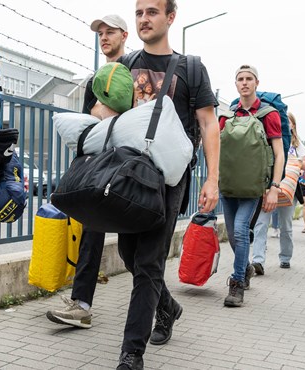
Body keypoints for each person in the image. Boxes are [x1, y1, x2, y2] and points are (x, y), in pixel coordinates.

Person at [104, 1, 220, 368]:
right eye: (139, 13)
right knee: (130, 256)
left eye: (151, 12)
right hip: (129, 174)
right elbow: (107, 114)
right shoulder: (124, 66)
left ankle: (131, 354)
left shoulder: (191, 68)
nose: (143, 19)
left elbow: (208, 123)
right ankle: (167, 307)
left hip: (169, 178)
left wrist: (212, 179)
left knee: (150, 261)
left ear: (170, 18)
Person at [46, 14, 128, 330]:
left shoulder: (135, 72)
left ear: (124, 35)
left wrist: (107, 112)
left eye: (110, 33)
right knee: (91, 233)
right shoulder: (96, 79)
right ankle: (81, 304)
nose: (104, 38)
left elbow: (126, 116)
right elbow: (89, 120)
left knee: (134, 252)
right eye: (100, 34)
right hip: (99, 165)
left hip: (129, 168)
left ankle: (163, 305)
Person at [219, 64, 284, 307]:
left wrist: (274, 187)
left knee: (240, 229)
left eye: (249, 79)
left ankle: (237, 285)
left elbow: (279, 154)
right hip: (227, 185)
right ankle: (244, 268)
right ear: (235, 84)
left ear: (256, 83)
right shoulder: (228, 116)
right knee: (236, 238)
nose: (244, 83)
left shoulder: (269, 114)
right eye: (240, 79)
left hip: (254, 187)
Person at [250, 112, 305, 273]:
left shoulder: (297, 144)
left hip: (289, 191)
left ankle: (285, 258)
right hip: (269, 188)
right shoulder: (270, 138)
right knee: (261, 223)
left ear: (293, 126)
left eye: (288, 122)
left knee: (286, 226)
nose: (284, 124)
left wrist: (295, 162)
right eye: (283, 121)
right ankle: (258, 260)